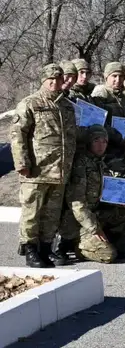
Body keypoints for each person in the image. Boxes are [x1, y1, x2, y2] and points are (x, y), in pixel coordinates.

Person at [11, 64, 78, 267]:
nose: (55, 83)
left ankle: (46, 248)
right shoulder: (30, 103)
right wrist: (22, 163)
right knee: (32, 212)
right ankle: (30, 249)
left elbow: (72, 137)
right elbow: (18, 135)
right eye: (51, 79)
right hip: (37, 170)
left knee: (51, 214)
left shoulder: (67, 106)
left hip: (60, 171)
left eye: (58, 79)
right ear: (43, 80)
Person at [62, 125, 125, 263]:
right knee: (108, 255)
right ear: (89, 142)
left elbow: (106, 194)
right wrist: (95, 229)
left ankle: (103, 239)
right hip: (77, 221)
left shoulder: (100, 164)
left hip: (95, 214)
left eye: (104, 142)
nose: (101, 145)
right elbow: (77, 204)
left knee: (124, 214)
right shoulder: (81, 164)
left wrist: (122, 202)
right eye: (96, 140)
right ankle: (77, 245)